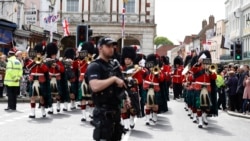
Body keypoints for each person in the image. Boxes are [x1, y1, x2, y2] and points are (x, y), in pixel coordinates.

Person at [85, 37, 125, 141]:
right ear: (100, 48)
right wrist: (113, 79)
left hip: (115, 111)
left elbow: (121, 85)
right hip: (103, 113)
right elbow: (95, 86)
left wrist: (126, 99)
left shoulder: (113, 65)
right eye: (108, 46)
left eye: (112, 46)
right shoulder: (94, 66)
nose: (111, 49)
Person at [191, 50, 217, 128]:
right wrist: (198, 63)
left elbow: (214, 77)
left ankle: (204, 116)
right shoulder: (197, 67)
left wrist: (210, 71)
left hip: (207, 88)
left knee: (208, 106)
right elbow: (192, 70)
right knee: (199, 105)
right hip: (198, 87)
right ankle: (200, 121)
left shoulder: (210, 68)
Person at [25, 43, 49, 118]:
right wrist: (34, 61)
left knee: (41, 97)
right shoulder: (32, 60)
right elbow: (28, 67)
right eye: (37, 53)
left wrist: (41, 63)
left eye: (39, 53)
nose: (38, 54)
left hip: (41, 80)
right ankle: (32, 113)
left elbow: (46, 70)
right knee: (32, 97)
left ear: (41, 53)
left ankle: (43, 110)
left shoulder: (44, 61)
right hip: (33, 79)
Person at [143, 53, 164, 125]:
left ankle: (155, 116)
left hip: (155, 89)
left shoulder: (157, 70)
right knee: (147, 104)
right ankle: (147, 118)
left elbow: (162, 79)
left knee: (155, 106)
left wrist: (157, 74)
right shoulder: (145, 70)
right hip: (147, 88)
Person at [45, 43, 65, 114]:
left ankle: (58, 105)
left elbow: (62, 70)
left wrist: (57, 66)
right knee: (50, 94)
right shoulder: (47, 61)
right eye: (53, 54)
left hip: (57, 78)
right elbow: (45, 70)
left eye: (55, 54)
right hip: (50, 78)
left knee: (58, 93)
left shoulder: (58, 61)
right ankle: (51, 108)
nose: (54, 55)